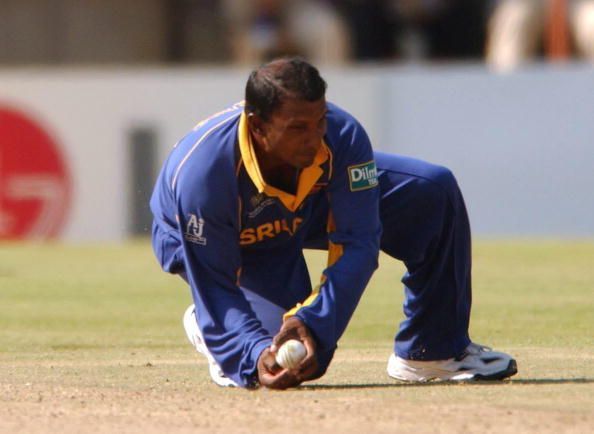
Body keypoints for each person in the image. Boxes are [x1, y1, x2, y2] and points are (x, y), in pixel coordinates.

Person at [150, 57, 517, 389]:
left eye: (319, 121)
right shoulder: (204, 177)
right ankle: (210, 327)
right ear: (258, 128)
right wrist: (252, 351)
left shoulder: (342, 136)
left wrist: (313, 321)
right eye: (297, 128)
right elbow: (216, 283)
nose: (314, 139)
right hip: (228, 239)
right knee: (283, 362)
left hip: (306, 208)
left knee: (431, 192)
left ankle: (432, 351)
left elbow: (358, 242)